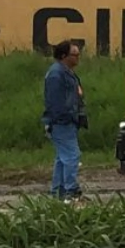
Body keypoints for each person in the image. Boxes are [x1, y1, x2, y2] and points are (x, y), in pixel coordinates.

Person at [42, 39, 85, 201]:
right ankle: (71, 191)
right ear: (63, 55)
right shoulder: (56, 74)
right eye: (75, 54)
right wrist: (65, 117)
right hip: (62, 122)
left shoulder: (66, 72)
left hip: (67, 121)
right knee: (72, 156)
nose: (78, 57)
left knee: (62, 158)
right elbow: (55, 101)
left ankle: (57, 193)